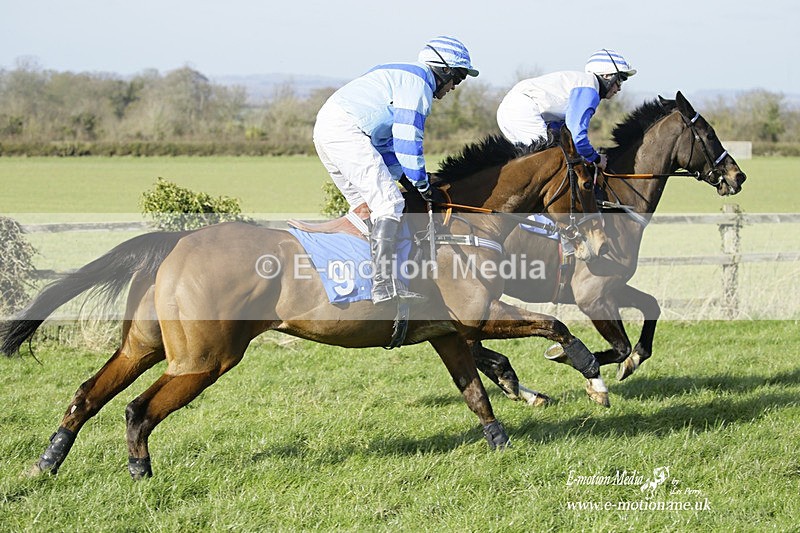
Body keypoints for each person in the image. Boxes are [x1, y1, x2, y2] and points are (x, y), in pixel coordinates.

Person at [313, 36, 479, 304]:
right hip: (346, 130)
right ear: (444, 70)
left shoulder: (402, 76)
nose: (455, 87)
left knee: (367, 208)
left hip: (329, 129)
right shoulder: (418, 85)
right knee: (389, 203)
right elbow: (407, 141)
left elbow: (385, 145)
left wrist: (406, 178)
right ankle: (384, 286)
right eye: (457, 78)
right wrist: (422, 184)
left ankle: (361, 279)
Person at [496, 49, 636, 170]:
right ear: (606, 75)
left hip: (510, 110)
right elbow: (578, 137)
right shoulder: (590, 89)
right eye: (620, 79)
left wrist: (585, 155)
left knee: (545, 161)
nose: (619, 88)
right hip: (521, 109)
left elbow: (563, 132)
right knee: (553, 159)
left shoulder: (583, 84)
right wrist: (596, 159)